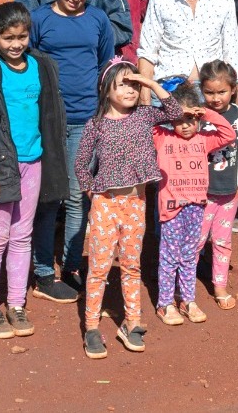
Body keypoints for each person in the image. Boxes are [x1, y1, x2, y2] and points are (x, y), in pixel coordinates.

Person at [0, 2, 69, 339]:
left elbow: (51, 114)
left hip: (33, 162)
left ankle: (16, 302)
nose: (15, 44)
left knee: (22, 235)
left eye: (22, 37)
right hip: (0, 165)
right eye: (8, 37)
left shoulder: (41, 66)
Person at [75, 59, 183, 360]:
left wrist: (150, 84)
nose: (131, 90)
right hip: (105, 205)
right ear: (105, 90)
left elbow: (175, 113)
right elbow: (81, 164)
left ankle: (131, 322)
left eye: (134, 84)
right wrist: (92, 191)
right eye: (123, 83)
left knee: (131, 265)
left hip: (136, 204)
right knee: (98, 268)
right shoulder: (96, 124)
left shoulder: (145, 115)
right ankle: (92, 326)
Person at [27, 0, 116, 302]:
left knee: (78, 195)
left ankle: (72, 266)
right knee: (50, 196)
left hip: (85, 118)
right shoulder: (39, 19)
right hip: (49, 120)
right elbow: (28, 63)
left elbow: (106, 64)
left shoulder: (97, 20)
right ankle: (43, 271)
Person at [153, 82, 236, 326]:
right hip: (171, 208)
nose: (186, 125)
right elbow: (147, 122)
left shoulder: (204, 139)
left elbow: (228, 134)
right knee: (169, 257)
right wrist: (169, 110)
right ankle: (165, 303)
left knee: (190, 256)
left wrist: (206, 111)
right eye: (179, 119)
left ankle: (188, 300)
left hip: (196, 207)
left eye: (191, 119)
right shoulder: (162, 137)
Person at [197, 61, 238, 309]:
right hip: (200, 193)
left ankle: (219, 286)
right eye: (209, 92)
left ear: (233, 89)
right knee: (196, 241)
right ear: (201, 89)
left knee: (222, 241)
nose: (215, 98)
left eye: (221, 92)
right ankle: (185, 287)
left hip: (228, 192)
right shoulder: (196, 114)